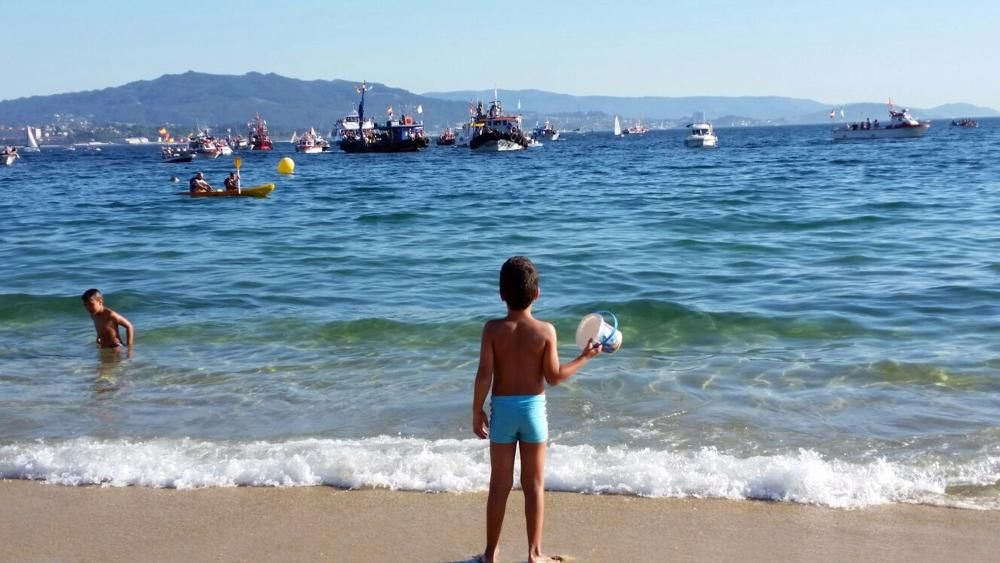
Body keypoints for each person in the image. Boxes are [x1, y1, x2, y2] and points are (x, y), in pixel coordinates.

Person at [472, 256, 600, 563]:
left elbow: (484, 374)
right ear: (537, 293)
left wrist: (477, 410)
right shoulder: (546, 331)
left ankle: (491, 554)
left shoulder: (492, 330)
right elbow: (554, 377)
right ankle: (534, 553)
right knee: (534, 485)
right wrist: (585, 357)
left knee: (499, 485)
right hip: (533, 413)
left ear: (501, 293)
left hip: (502, 411)